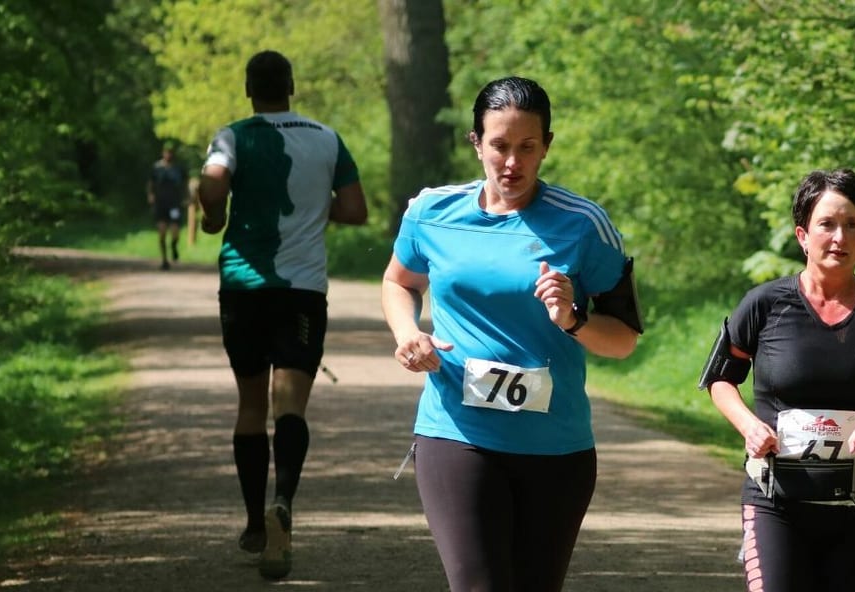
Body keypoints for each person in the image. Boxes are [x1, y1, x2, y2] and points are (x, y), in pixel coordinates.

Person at [380, 76, 644, 591]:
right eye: (499, 145)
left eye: (527, 147)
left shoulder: (584, 224)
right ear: (476, 142)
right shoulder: (431, 211)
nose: (512, 163)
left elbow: (625, 339)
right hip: (456, 433)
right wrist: (408, 332)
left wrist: (574, 319)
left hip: (556, 450)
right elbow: (399, 280)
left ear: (547, 145)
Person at [699, 168, 855, 592]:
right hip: (774, 500)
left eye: (851, 225)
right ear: (803, 235)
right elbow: (719, 380)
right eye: (827, 224)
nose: (839, 237)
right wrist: (748, 425)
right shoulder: (764, 304)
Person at [196, 49, 369, 580]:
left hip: (244, 288)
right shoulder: (326, 138)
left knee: (251, 406)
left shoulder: (232, 135)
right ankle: (284, 501)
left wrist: (215, 215)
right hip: (301, 292)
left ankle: (253, 522)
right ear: (291, 85)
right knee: (289, 404)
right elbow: (355, 210)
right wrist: (317, 212)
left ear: (250, 89)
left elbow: (213, 182)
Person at [147, 142, 189, 270]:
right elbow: (150, 183)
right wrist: (150, 195)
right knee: (162, 232)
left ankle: (174, 246)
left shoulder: (178, 169)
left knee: (175, 231)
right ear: (163, 152)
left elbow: (186, 183)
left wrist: (187, 197)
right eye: (166, 151)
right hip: (161, 203)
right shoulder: (157, 168)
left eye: (170, 152)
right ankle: (164, 260)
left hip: (174, 203)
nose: (168, 154)